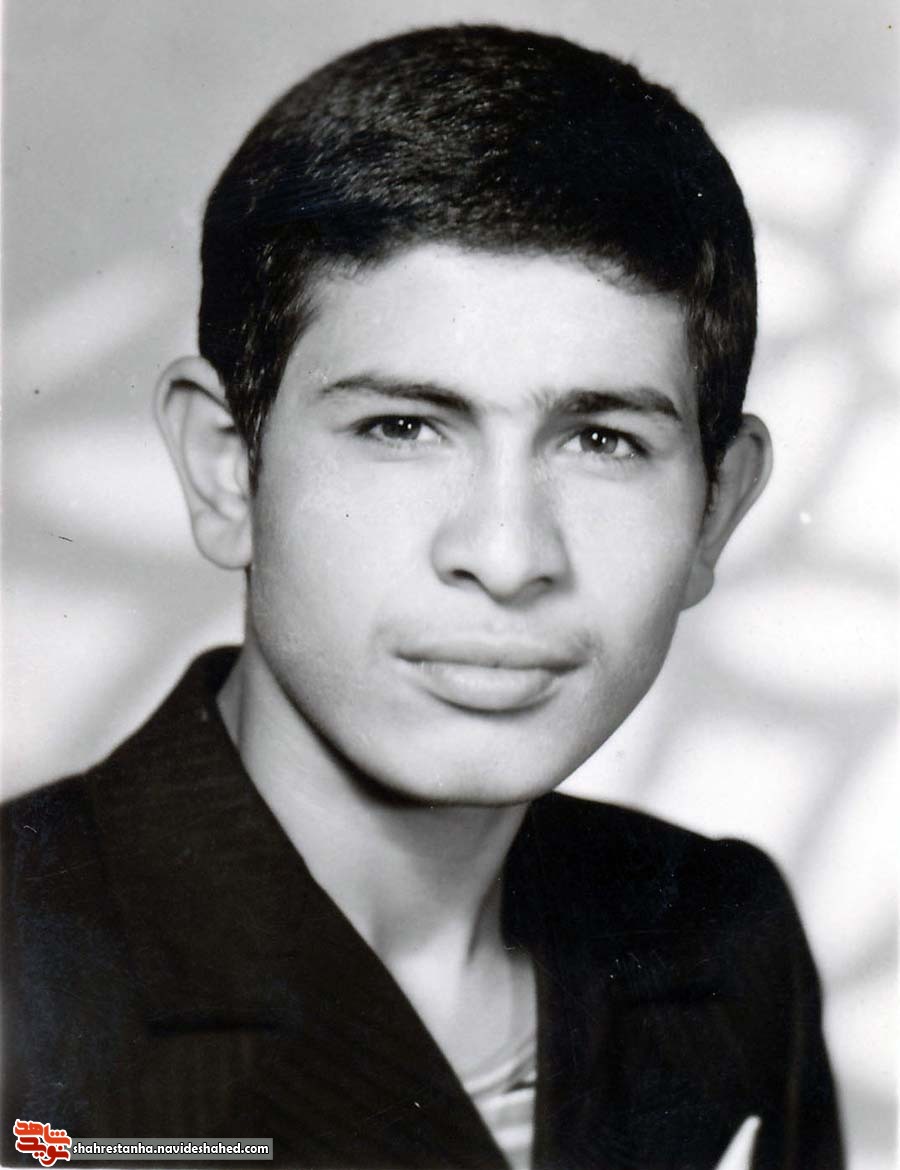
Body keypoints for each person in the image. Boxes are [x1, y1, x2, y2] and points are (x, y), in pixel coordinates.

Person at [3, 24, 843, 1170]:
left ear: (716, 509)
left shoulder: (725, 944)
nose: (506, 554)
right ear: (224, 470)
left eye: (602, 440)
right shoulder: (24, 975)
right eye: (401, 427)